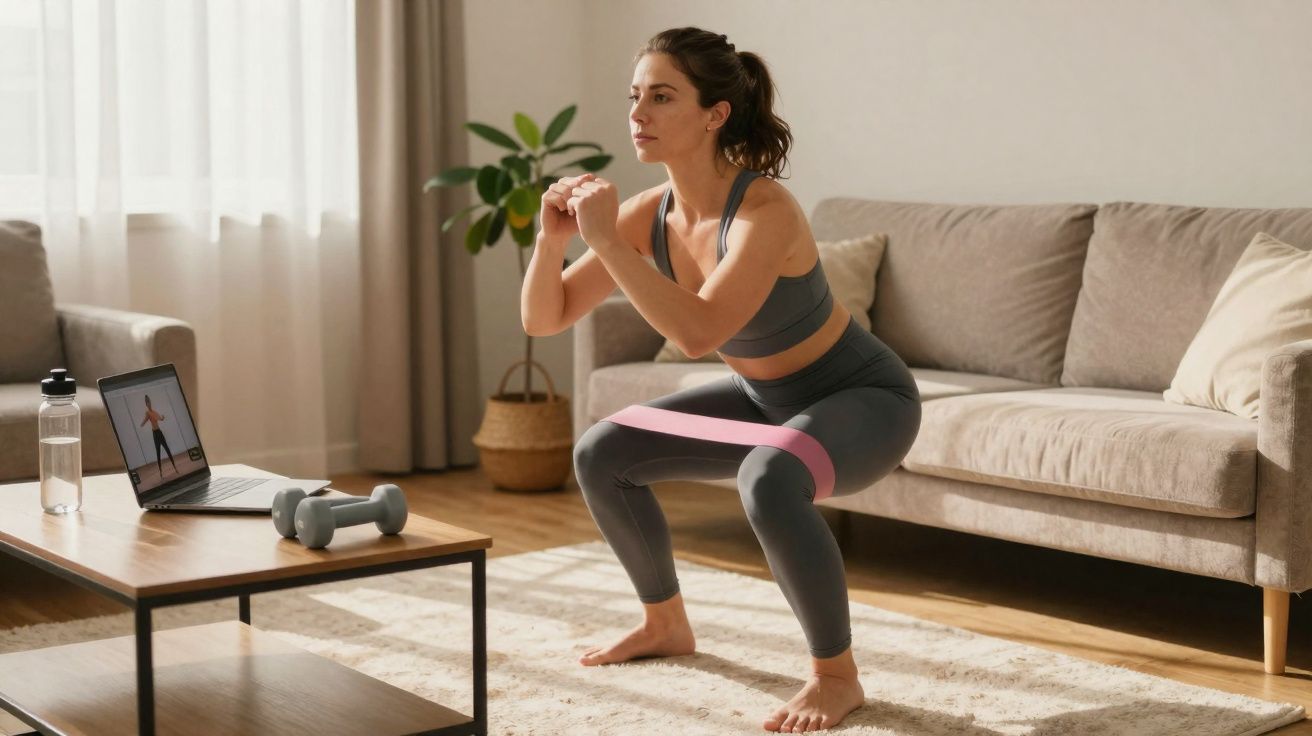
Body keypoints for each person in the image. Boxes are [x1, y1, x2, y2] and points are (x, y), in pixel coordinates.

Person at [521, 27, 921, 734]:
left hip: (861, 399)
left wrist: (605, 238)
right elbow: (544, 318)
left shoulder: (765, 211)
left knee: (770, 477)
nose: (638, 113)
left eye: (662, 96)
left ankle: (836, 676)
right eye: (635, 96)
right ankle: (664, 624)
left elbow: (698, 333)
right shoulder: (649, 214)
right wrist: (551, 242)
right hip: (764, 401)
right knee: (602, 452)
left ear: (715, 114)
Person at [139, 394, 178, 477]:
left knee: (167, 448)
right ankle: (161, 472)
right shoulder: (148, 413)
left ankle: (175, 467)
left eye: (149, 401)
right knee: (158, 452)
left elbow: (160, 419)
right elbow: (145, 420)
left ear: (150, 402)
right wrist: (142, 424)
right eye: (147, 402)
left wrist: (162, 418)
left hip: (159, 432)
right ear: (146, 404)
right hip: (155, 434)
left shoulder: (154, 412)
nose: (149, 403)